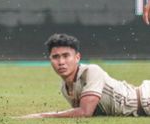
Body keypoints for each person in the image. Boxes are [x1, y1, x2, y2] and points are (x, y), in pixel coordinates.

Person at [18, 33, 149, 118]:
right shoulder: (64, 87)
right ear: (50, 59)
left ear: (77, 57)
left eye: (66, 56)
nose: (61, 62)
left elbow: (85, 112)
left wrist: (42, 116)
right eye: (55, 57)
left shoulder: (91, 71)